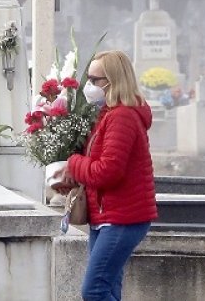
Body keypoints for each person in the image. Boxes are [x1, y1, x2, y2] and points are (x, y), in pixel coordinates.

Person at [55, 50, 157, 300]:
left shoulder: (122, 117)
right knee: (109, 288)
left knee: (94, 290)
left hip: (123, 217)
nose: (88, 85)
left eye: (95, 79)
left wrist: (73, 162)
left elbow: (108, 172)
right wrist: (72, 175)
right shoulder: (108, 114)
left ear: (114, 80)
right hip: (106, 215)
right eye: (88, 78)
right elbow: (97, 163)